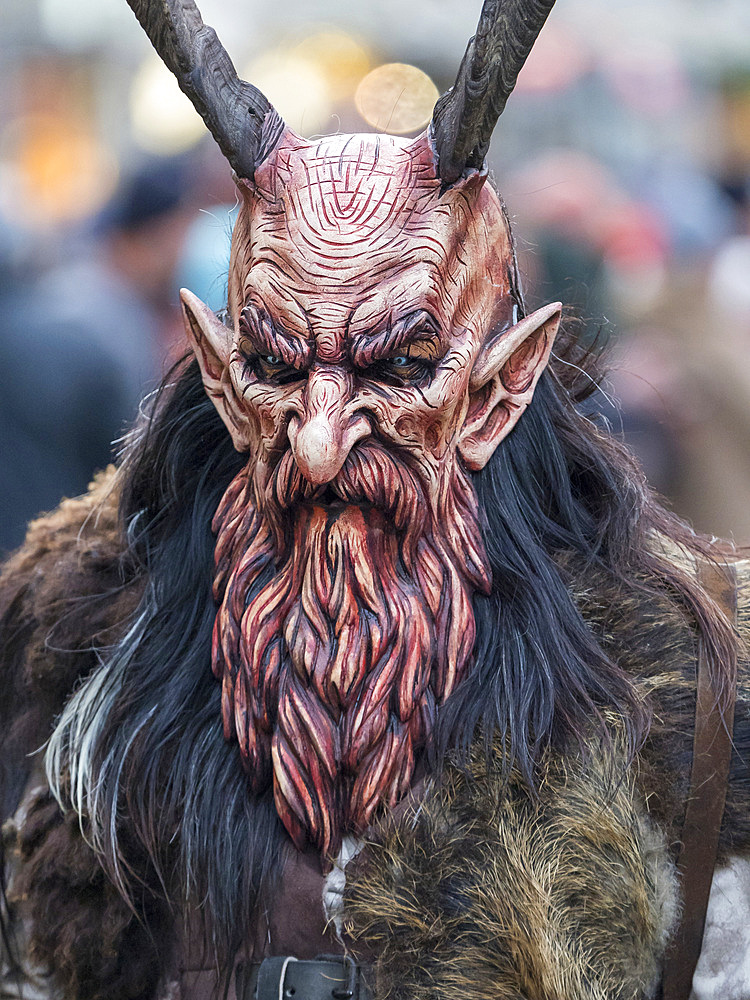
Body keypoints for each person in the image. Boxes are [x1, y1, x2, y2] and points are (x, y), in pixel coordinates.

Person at [1, 2, 748, 999]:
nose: (314, 446)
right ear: (221, 379)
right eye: (274, 364)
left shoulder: (698, 700)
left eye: (397, 366)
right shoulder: (76, 660)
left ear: (497, 388)